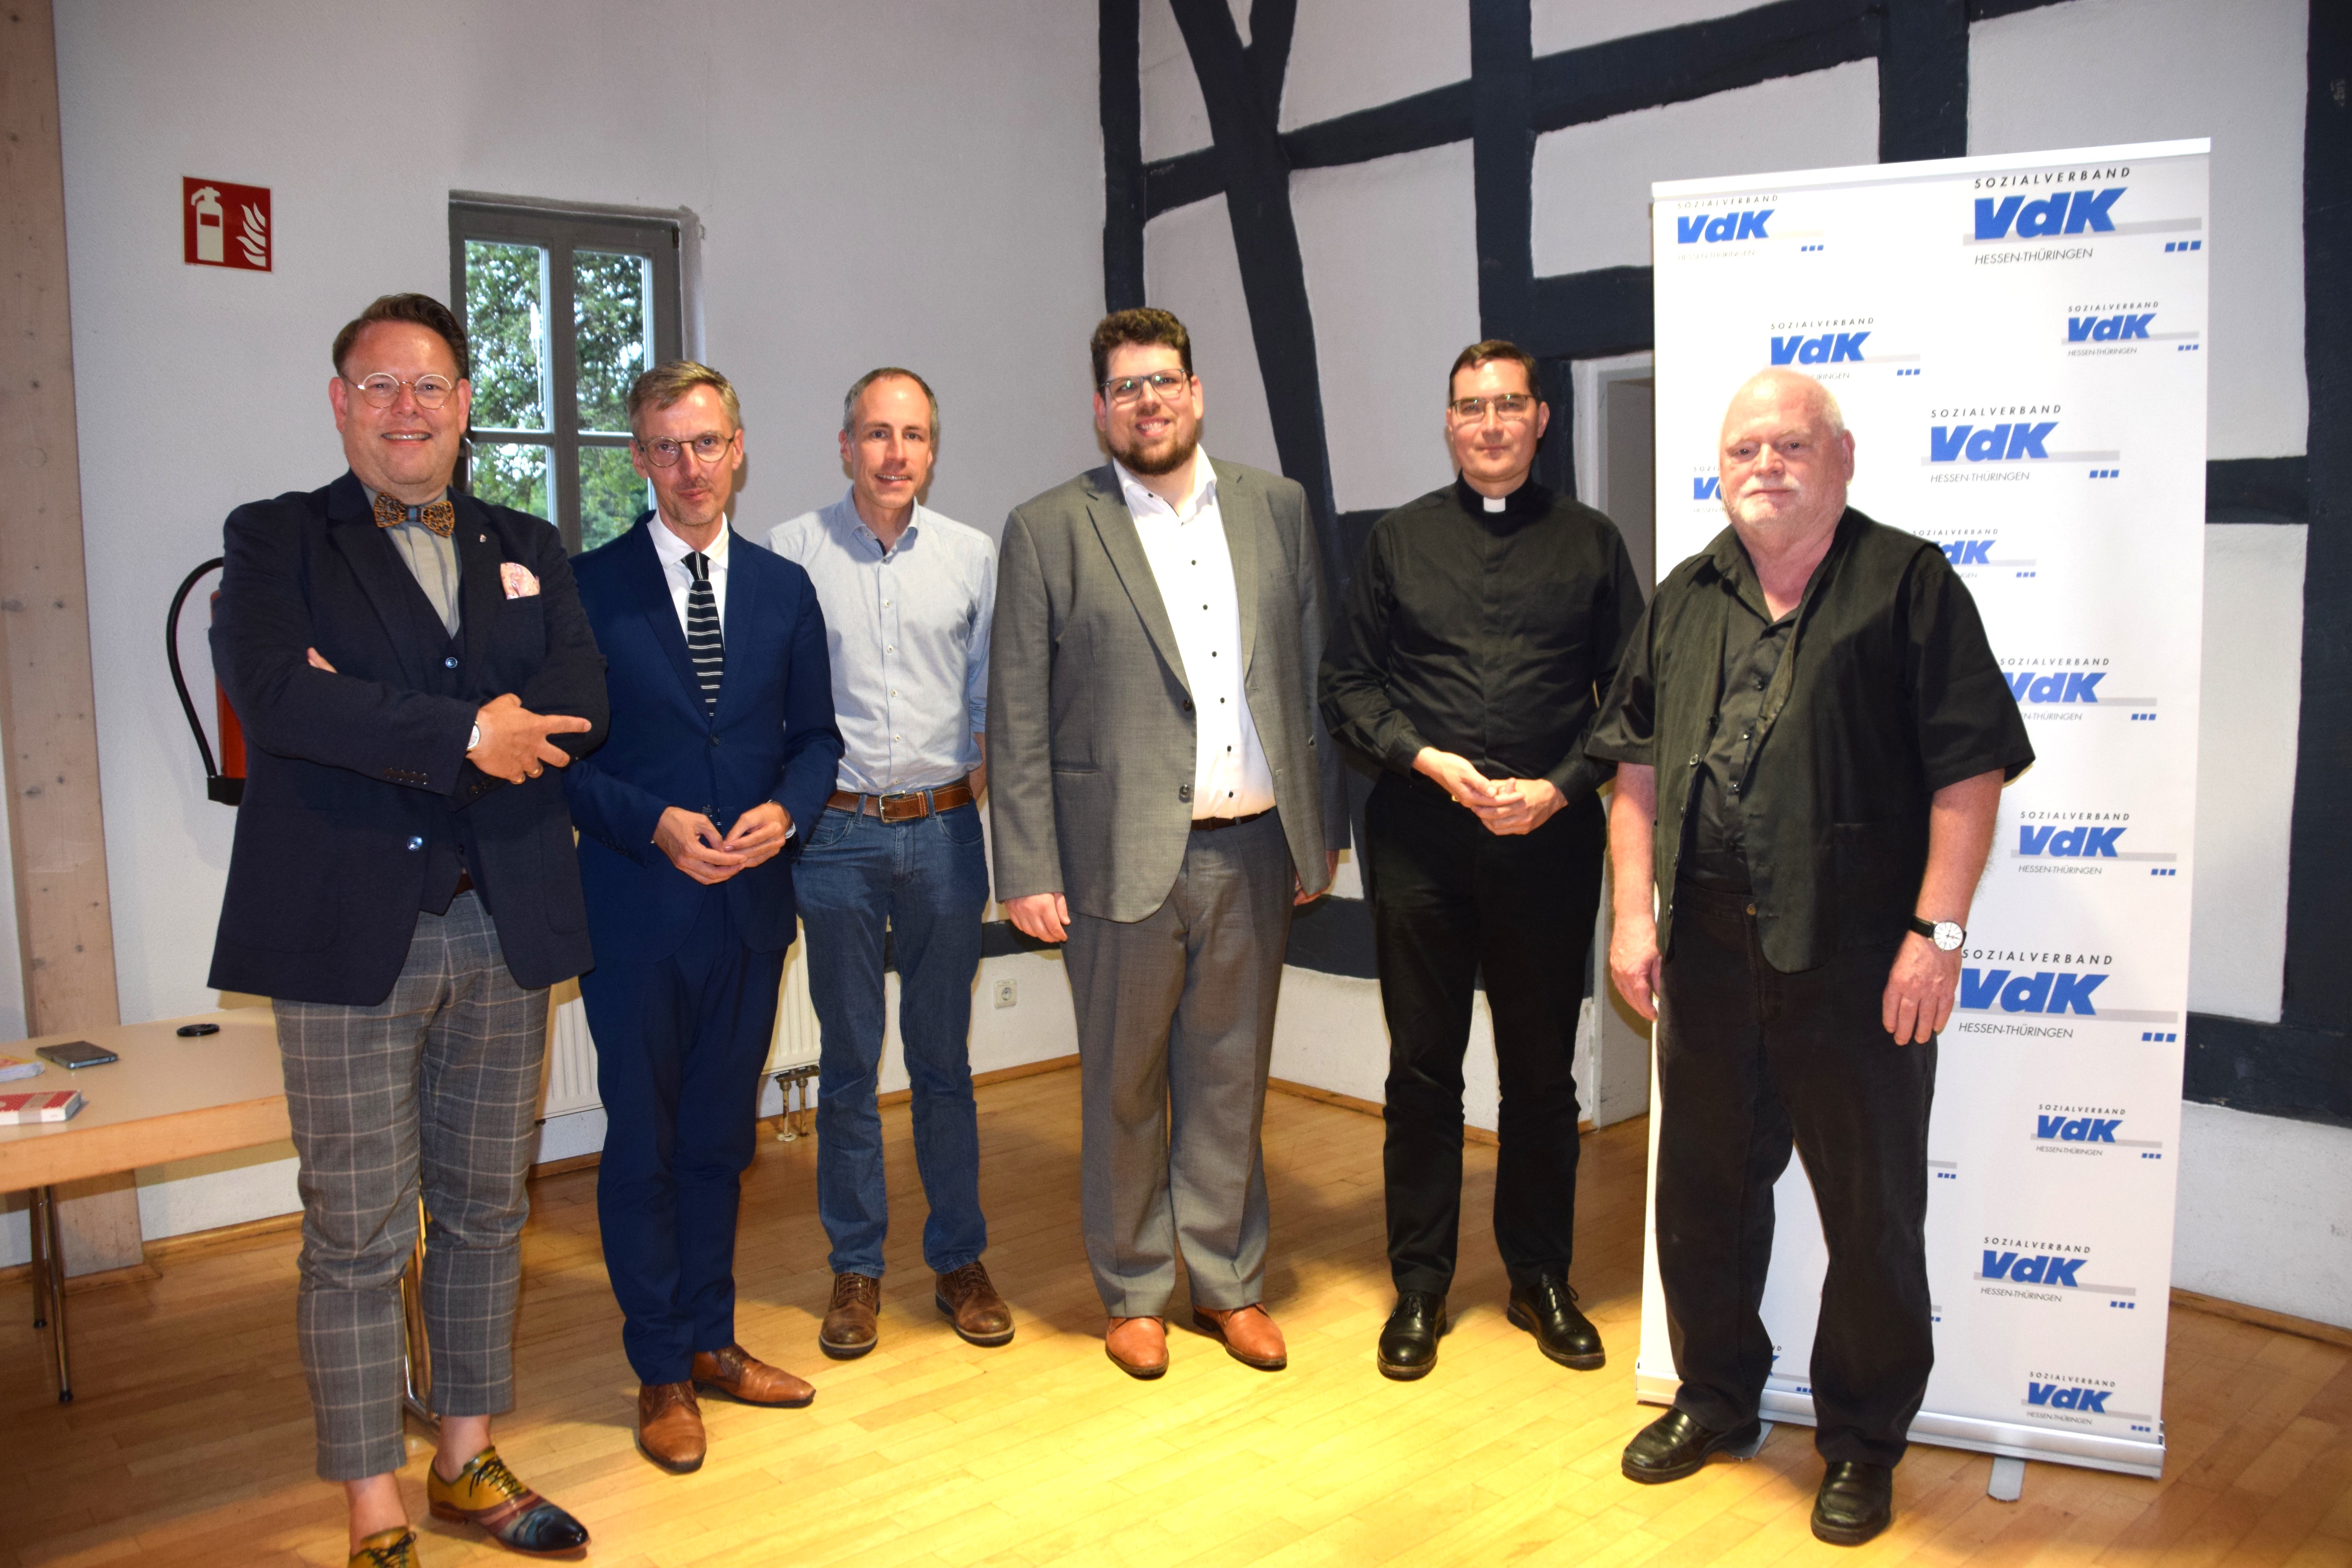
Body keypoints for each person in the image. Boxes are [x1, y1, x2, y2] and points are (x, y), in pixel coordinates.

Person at [1588, 368, 2031, 1546]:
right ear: (1719, 469)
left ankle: (1862, 1442)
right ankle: (1719, 1398)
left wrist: (1936, 936)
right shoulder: (1686, 596)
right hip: (1708, 954)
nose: (1765, 467)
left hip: (1859, 962)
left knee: (1872, 1209)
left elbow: (1969, 771)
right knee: (1702, 1195)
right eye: (1744, 451)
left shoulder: (1911, 586)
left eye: (1791, 446)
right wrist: (1633, 918)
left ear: (1843, 460)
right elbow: (1632, 771)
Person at [208, 292, 600, 1568]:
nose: (406, 410)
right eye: (378, 387)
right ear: (340, 404)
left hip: (505, 922)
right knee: (358, 1230)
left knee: (488, 1210)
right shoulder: (277, 543)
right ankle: (372, 1498)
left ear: (466, 405)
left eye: (429, 385)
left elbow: (577, 705)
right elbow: (276, 703)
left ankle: (467, 1457)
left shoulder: (529, 539)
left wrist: (368, 715)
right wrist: (467, 732)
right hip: (343, 932)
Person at [989, 307, 1347, 1379]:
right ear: (1101, 411)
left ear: (1196, 393)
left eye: (1165, 383)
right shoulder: (1050, 526)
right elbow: (1016, 714)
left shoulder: (1276, 510)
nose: (1148, 403)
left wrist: (1311, 837)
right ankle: (1136, 1288)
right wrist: (1029, 869)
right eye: (1126, 389)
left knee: (1232, 1077)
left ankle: (1229, 1281)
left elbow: (1309, 676)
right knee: (1125, 1087)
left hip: (1251, 851)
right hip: (1113, 864)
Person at [1320, 339, 1644, 1382]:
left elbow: (1634, 702)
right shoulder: (1398, 543)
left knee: (1542, 1076)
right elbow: (1350, 686)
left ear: (1541, 419)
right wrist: (1428, 761)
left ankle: (1539, 1278)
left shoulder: (1593, 544)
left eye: (1510, 405)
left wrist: (1558, 786)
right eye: (1471, 407)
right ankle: (1419, 1283)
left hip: (1549, 845)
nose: (1491, 424)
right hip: (1422, 840)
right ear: (1449, 422)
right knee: (1422, 1070)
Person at [562, 361, 843, 1474]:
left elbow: (817, 738)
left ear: (740, 449)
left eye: (709, 443)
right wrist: (654, 823)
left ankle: (716, 1341)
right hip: (636, 911)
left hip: (750, 913)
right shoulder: (590, 588)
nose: (691, 467)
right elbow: (561, 762)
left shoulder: (783, 589)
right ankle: (661, 1370)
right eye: (668, 448)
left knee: (721, 1144)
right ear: (639, 459)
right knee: (644, 1144)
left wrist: (790, 810)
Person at [767, 368, 1010, 1360]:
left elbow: (993, 695)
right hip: (836, 838)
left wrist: (972, 786)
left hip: (948, 832)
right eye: (876, 434)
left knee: (945, 1062)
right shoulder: (788, 553)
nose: (895, 453)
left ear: (933, 450)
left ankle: (958, 1257)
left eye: (913, 436)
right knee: (852, 1065)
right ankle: (856, 1267)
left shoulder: (972, 556)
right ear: (845, 446)